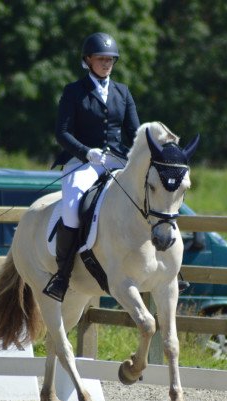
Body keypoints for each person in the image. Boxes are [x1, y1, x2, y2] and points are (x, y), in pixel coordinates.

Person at [43, 32, 140, 302]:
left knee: (148, 195)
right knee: (73, 207)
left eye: (110, 59)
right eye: (101, 59)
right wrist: (86, 152)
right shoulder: (74, 92)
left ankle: (167, 267)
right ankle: (62, 275)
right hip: (84, 161)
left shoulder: (122, 92)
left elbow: (134, 132)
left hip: (117, 159)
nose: (107, 63)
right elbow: (62, 133)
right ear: (88, 60)